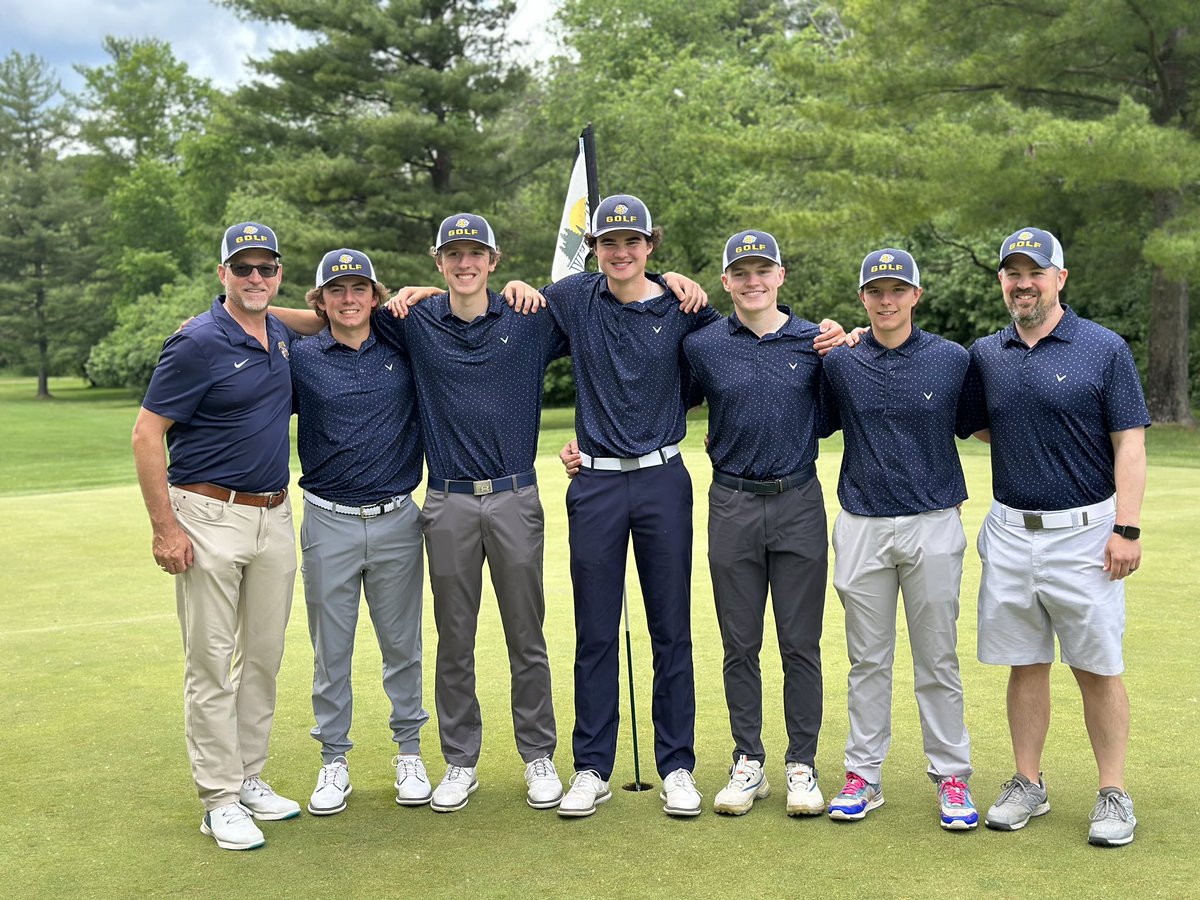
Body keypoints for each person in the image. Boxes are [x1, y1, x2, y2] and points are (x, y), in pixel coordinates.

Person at [960, 227, 1149, 847]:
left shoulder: (1103, 348)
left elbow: (1130, 442)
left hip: (1087, 536)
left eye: (1034, 273)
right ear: (1002, 282)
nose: (1023, 283)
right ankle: (1027, 782)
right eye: (1012, 273)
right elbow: (984, 427)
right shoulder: (987, 353)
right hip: (1012, 531)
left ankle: (1113, 792)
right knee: (1025, 663)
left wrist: (1126, 527)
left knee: (1097, 667)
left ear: (1059, 278)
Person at [377, 214, 569, 812]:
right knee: (454, 641)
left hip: (515, 496)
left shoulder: (531, 319)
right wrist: (249, 319)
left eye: (475, 254)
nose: (465, 264)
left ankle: (538, 756)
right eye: (453, 255)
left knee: (526, 636)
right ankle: (460, 761)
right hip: (448, 501)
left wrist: (675, 281)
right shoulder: (414, 320)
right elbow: (339, 316)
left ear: (495, 259)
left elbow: (609, 302)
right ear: (438, 262)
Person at [132, 221, 300, 851]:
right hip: (206, 517)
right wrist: (163, 526)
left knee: (262, 658)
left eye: (266, 268)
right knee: (211, 663)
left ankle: (249, 775)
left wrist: (407, 296)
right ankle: (219, 799)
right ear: (222, 273)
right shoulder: (196, 342)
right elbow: (148, 434)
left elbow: (330, 315)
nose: (255, 278)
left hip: (274, 516)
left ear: (278, 273)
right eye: (243, 268)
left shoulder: (279, 331)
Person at [820, 248, 976, 829]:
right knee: (868, 659)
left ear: (916, 295)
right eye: (876, 292)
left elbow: (987, 422)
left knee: (937, 657)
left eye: (897, 291)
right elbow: (803, 418)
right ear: (863, 298)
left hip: (933, 523)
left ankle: (952, 777)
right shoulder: (841, 361)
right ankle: (863, 773)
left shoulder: (953, 360)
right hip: (861, 523)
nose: (887, 301)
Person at [681, 230, 830, 818]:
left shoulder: (816, 341)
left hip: (798, 502)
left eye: (762, 270)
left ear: (780, 275)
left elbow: (841, 413)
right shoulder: (704, 345)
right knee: (739, 643)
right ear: (726, 281)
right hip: (732, 503)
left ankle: (802, 763)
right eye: (740, 273)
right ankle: (749, 761)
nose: (752, 281)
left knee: (800, 644)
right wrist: (584, 450)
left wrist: (856, 338)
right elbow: (660, 405)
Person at [289, 249, 429, 815]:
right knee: (332, 651)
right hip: (328, 519)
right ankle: (334, 762)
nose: (349, 299)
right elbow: (246, 316)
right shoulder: (300, 356)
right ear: (319, 301)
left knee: (403, 647)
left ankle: (410, 753)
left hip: (398, 518)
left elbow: (456, 300)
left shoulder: (404, 344)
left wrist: (419, 291)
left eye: (360, 289)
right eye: (336, 290)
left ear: (376, 296)